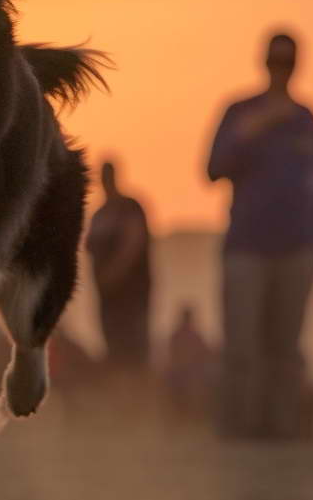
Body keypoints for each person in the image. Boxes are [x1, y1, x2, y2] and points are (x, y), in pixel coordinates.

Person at [207, 30, 313, 439]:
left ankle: (283, 429)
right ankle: (239, 429)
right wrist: (252, 129)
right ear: (264, 62)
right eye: (275, 60)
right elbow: (213, 168)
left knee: (285, 347)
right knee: (242, 346)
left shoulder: (306, 120)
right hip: (247, 247)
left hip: (298, 248)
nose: (281, 69)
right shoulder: (239, 112)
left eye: (288, 61)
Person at [86, 160, 152, 368]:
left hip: (131, 293)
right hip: (107, 296)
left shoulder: (129, 207)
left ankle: (135, 387)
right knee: (112, 343)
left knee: (133, 345)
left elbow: (134, 243)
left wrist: (114, 273)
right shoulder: (99, 214)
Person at [163, 303, 218, 421]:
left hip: (186, 375)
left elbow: (206, 353)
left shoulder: (181, 336)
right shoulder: (180, 336)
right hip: (182, 375)